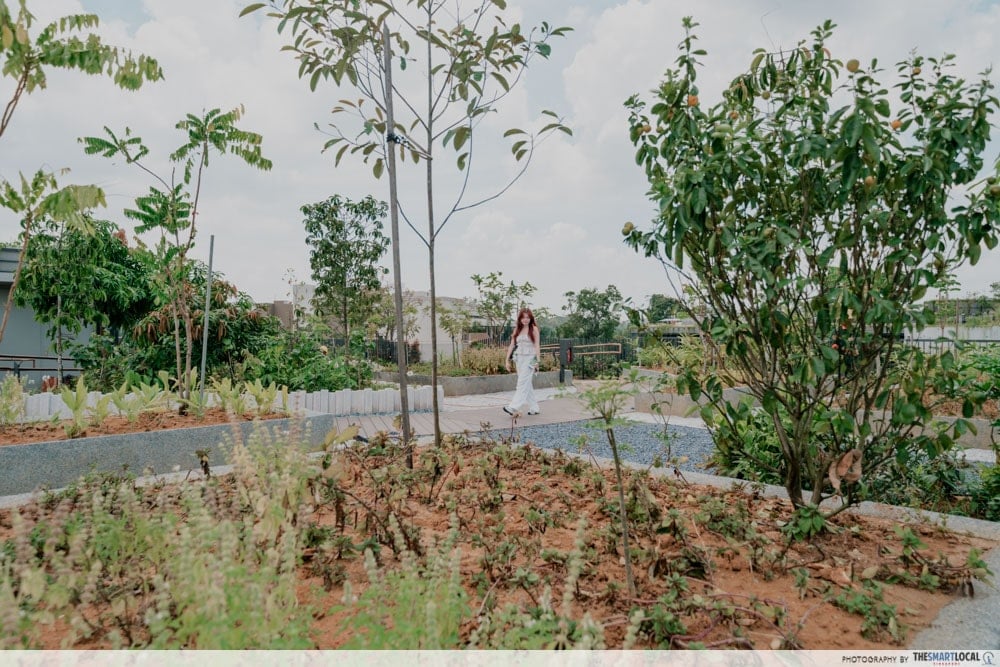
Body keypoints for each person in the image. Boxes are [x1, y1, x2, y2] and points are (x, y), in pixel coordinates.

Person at [503, 308, 542, 416]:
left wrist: (537, 361)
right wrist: (507, 360)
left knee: (521, 383)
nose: (525, 320)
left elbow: (537, 345)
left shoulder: (534, 329)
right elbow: (512, 345)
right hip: (519, 358)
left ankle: (513, 407)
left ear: (531, 318)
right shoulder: (517, 329)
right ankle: (534, 408)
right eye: (523, 317)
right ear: (520, 319)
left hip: (530, 359)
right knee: (526, 383)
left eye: (527, 317)